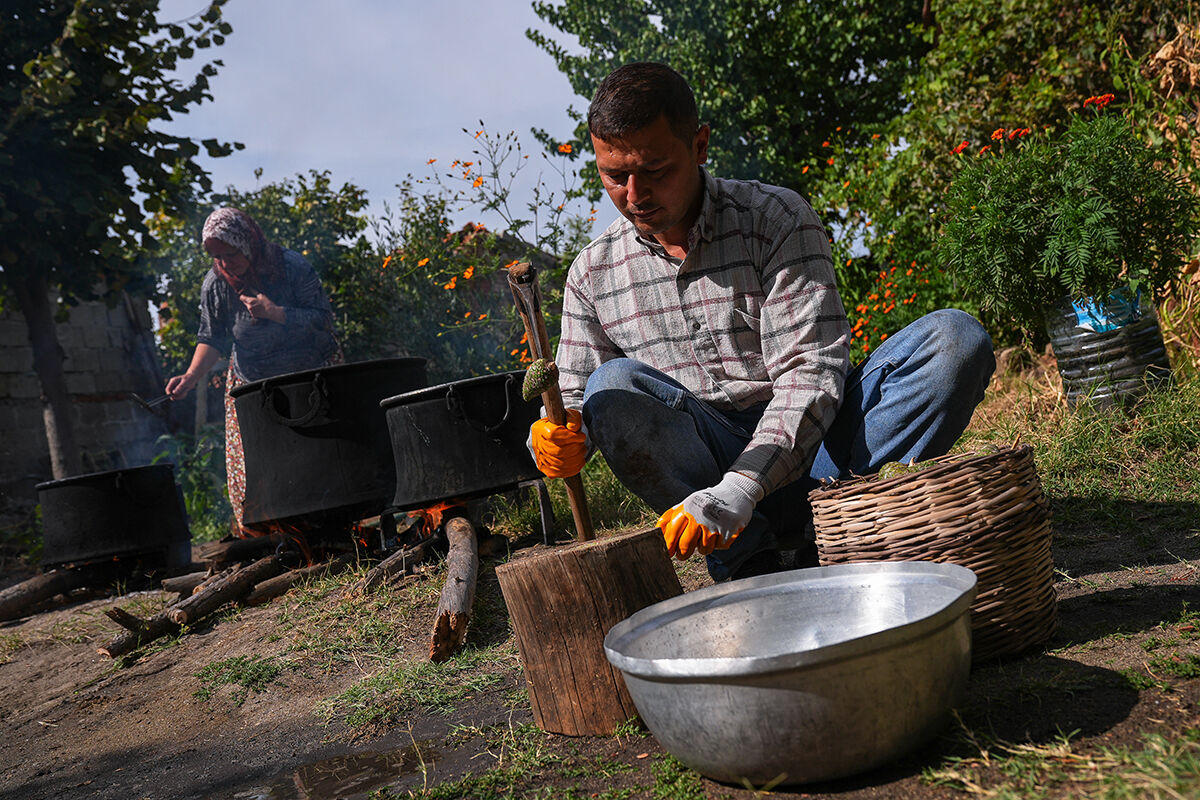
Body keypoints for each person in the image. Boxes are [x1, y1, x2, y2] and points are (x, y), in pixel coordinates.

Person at [527, 63, 996, 582]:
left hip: (825, 452)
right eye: (615, 176)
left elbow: (811, 375)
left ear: (700, 145)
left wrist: (742, 486)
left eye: (656, 171)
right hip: (707, 477)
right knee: (609, 388)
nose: (634, 195)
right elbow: (574, 408)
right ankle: (749, 559)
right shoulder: (594, 273)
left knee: (955, 341)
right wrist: (555, 441)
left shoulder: (775, 219)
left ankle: (841, 528)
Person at [166, 207, 340, 535]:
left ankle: (331, 521)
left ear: (248, 244)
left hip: (311, 372)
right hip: (252, 379)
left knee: (315, 449)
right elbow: (211, 338)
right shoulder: (216, 284)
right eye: (215, 256)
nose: (224, 263)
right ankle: (272, 531)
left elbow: (323, 319)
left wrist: (276, 312)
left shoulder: (291, 267)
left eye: (230, 254)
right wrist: (190, 377)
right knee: (254, 457)